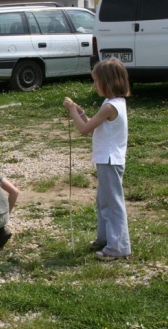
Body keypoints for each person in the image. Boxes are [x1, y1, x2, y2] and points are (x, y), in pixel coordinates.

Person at [63, 57, 132, 261]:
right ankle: (105, 239)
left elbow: (84, 129)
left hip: (110, 160)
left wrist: (71, 111)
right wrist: (80, 110)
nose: (94, 84)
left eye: (96, 80)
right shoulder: (112, 103)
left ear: (108, 81)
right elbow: (94, 126)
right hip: (106, 160)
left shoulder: (110, 106)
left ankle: (118, 247)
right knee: (104, 200)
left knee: (112, 204)